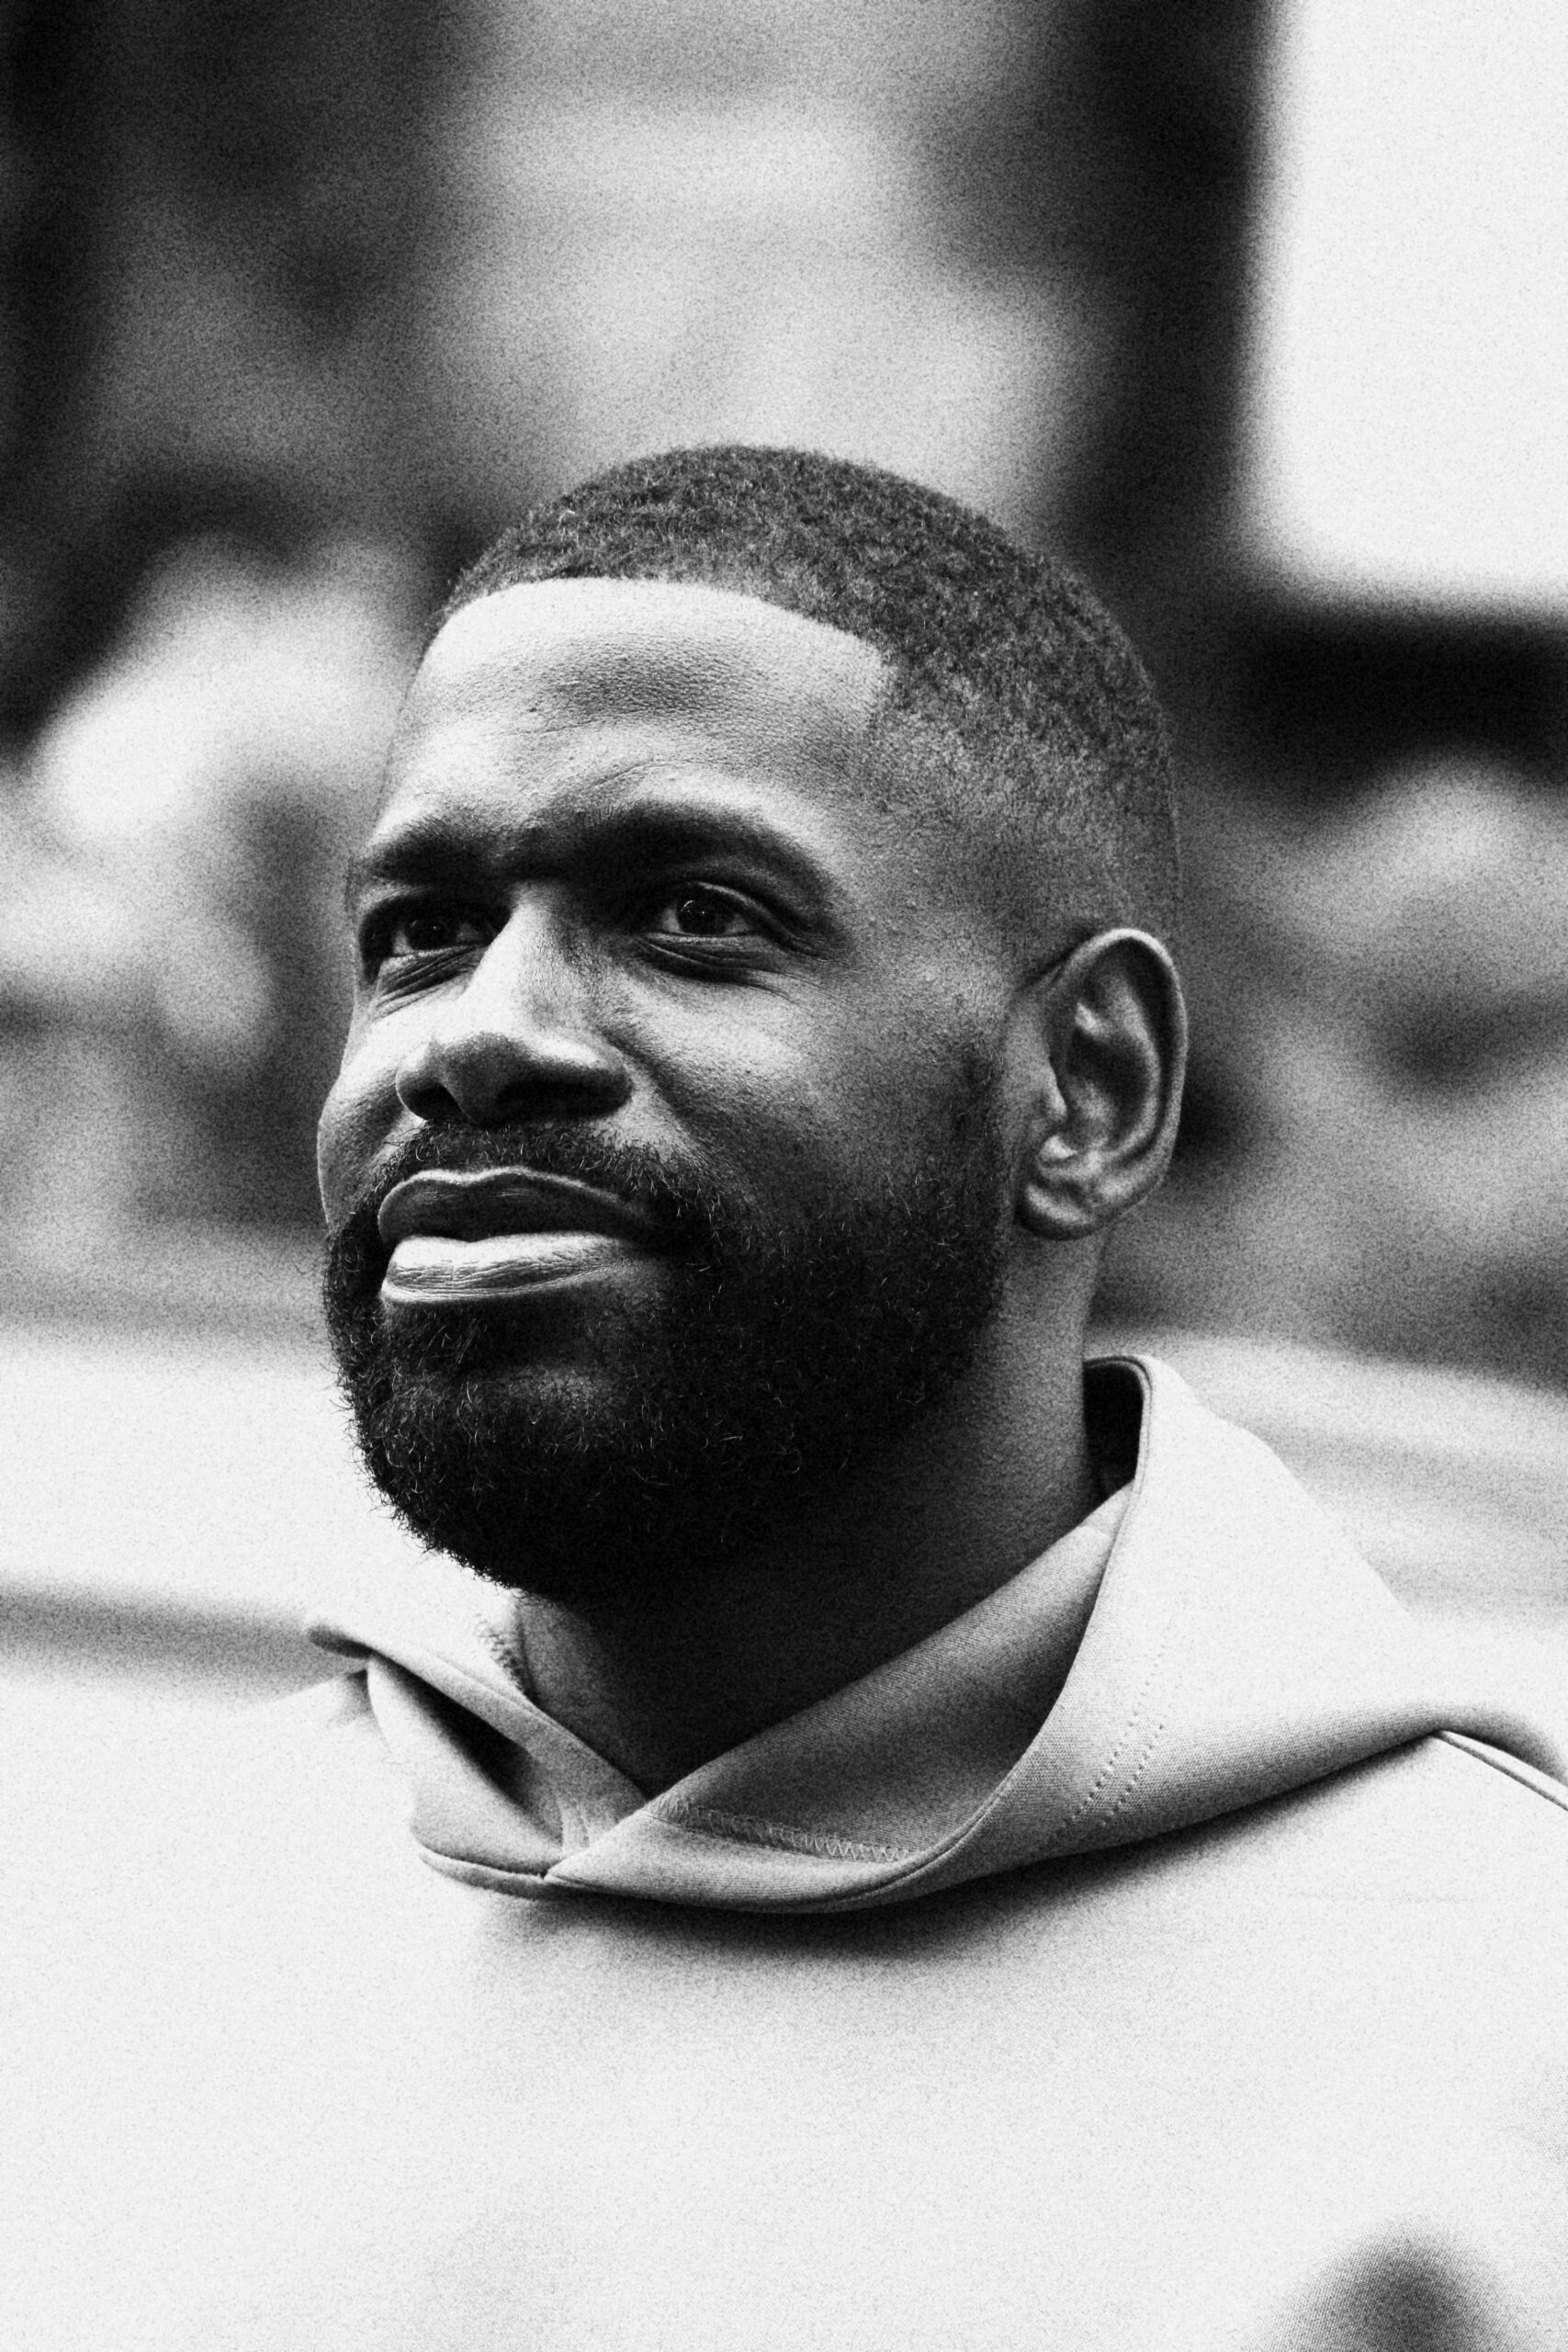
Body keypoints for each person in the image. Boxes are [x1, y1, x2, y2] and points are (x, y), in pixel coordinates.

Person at [7, 447, 1568, 2351]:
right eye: (416, 928)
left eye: (691, 913)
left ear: (1081, 1088)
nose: (479, 1029)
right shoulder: (107, 1951)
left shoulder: (1492, 2064)